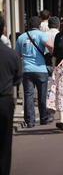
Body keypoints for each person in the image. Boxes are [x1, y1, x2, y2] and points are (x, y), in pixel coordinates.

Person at [16, 16, 54, 128]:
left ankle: (30, 121)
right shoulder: (42, 34)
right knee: (42, 96)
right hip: (41, 69)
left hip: (27, 70)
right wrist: (51, 54)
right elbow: (50, 46)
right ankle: (43, 118)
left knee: (28, 96)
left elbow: (17, 55)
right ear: (39, 26)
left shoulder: (21, 37)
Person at [0, 15, 22, 175]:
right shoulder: (11, 54)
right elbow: (17, 78)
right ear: (3, 30)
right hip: (4, 101)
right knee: (5, 142)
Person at [47, 12, 63, 130]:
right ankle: (62, 120)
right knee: (62, 93)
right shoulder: (59, 36)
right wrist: (54, 69)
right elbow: (55, 55)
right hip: (61, 69)